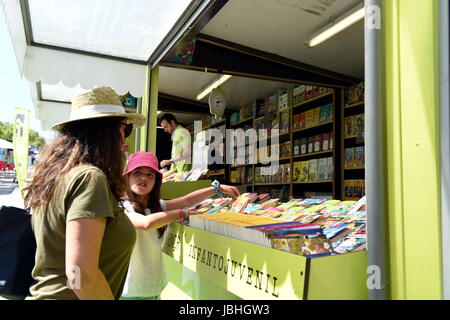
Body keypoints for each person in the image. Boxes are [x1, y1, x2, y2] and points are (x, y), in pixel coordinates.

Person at [23, 87, 146, 300]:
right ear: (105, 131)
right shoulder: (90, 178)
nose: (125, 141)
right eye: (125, 129)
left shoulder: (58, 177)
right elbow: (80, 274)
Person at [121, 151, 240, 300]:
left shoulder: (157, 206)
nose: (143, 178)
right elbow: (146, 223)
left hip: (155, 287)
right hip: (130, 290)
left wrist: (217, 189)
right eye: (137, 172)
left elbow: (187, 200)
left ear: (156, 181)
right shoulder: (122, 207)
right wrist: (182, 213)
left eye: (150, 174)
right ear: (126, 177)